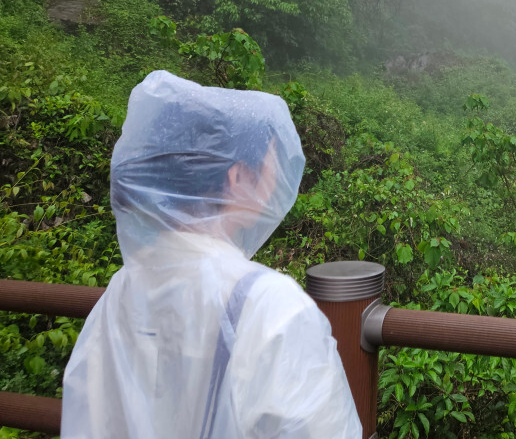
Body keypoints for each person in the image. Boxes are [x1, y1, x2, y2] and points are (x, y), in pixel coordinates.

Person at [61, 70, 362, 439]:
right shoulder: (271, 307)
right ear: (238, 178)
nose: (277, 179)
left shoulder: (119, 293)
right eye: (271, 163)